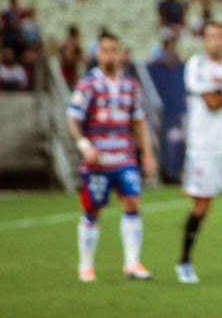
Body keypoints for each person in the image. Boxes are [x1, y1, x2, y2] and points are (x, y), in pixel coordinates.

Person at [66, 32, 157, 282]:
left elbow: (139, 122)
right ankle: (85, 265)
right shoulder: (88, 85)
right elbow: (72, 118)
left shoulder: (130, 85)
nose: (110, 54)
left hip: (124, 157)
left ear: (120, 53)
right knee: (93, 209)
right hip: (98, 160)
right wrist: (84, 145)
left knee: (132, 202)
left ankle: (132, 263)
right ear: (97, 54)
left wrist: (147, 154)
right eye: (105, 50)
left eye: (113, 50)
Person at [176, 21, 222, 284]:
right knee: (201, 206)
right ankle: (184, 262)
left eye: (220, 36)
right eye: (210, 37)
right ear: (204, 40)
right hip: (204, 145)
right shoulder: (196, 65)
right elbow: (212, 102)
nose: (216, 41)